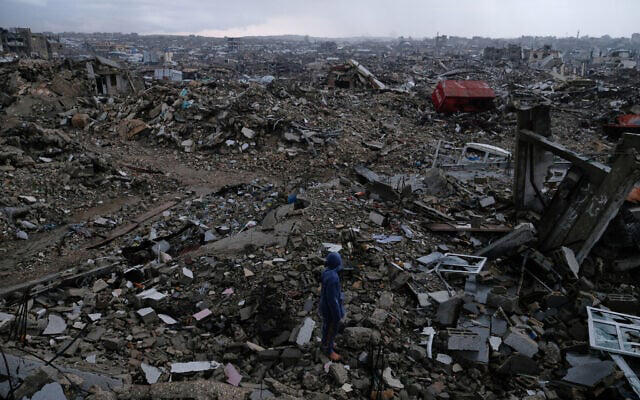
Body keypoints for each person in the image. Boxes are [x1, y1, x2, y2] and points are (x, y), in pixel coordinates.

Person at [319, 252, 345, 361]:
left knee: (326, 326)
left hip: (324, 305)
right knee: (332, 328)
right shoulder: (334, 278)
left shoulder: (326, 272)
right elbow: (332, 300)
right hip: (330, 309)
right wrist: (337, 315)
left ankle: (325, 342)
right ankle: (329, 350)